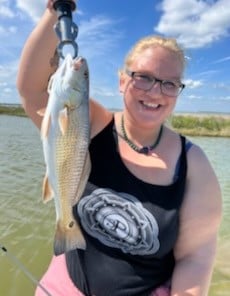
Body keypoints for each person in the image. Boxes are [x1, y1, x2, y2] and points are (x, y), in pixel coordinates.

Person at [17, 1, 222, 295]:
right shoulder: (92, 123)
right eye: (144, 77)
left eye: (169, 84)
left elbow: (196, 258)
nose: (155, 91)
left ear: (178, 92)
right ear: (122, 81)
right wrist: (54, 10)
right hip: (65, 285)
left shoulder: (194, 166)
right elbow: (32, 89)